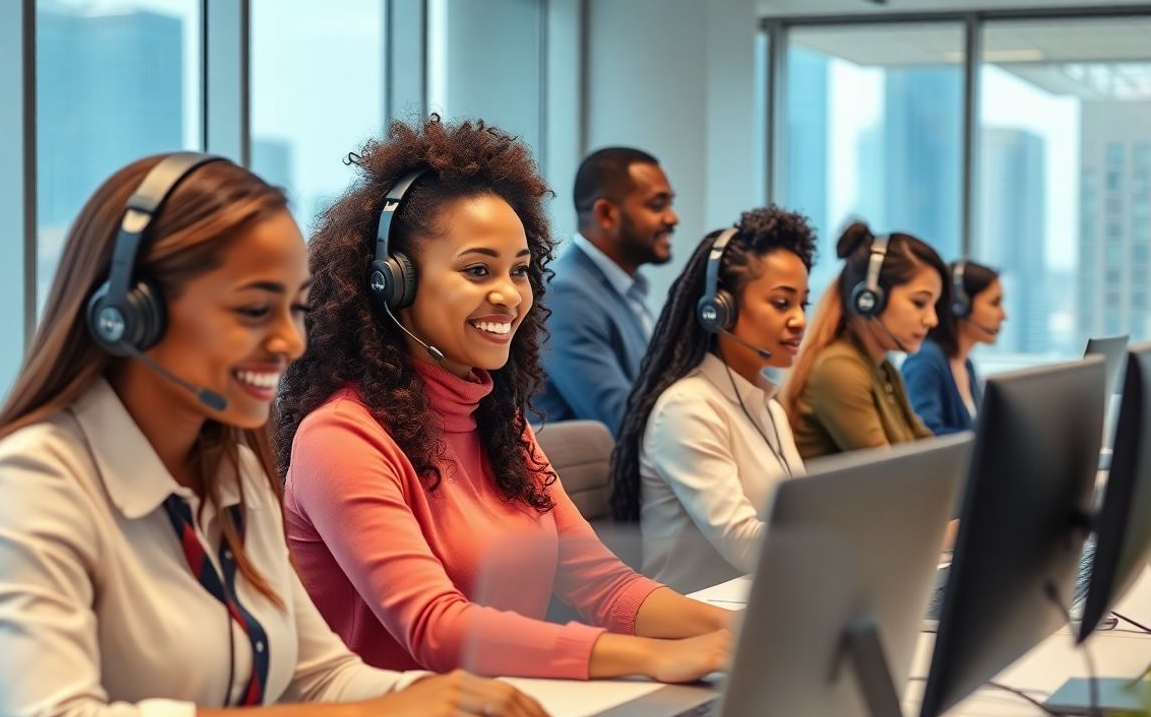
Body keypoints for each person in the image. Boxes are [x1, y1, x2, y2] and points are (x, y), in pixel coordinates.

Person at [0, 153, 565, 717]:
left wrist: (441, 701)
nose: (289, 341)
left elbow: (316, 677)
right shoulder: (27, 486)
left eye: (295, 308)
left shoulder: (229, 469)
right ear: (129, 316)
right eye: (255, 310)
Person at [274, 117, 730, 684]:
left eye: (519, 271)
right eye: (477, 270)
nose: (509, 295)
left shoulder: (496, 420)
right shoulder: (341, 437)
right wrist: (655, 658)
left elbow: (606, 586)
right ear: (392, 283)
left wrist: (742, 631)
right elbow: (436, 628)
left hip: (504, 709)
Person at [609, 206, 814, 594]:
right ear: (718, 309)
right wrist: (840, 548)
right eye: (781, 303)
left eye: (803, 304)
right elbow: (744, 545)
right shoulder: (687, 409)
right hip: (696, 615)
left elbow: (804, 519)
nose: (799, 320)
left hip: (768, 597)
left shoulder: (768, 407)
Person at [533, 147, 679, 434]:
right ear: (607, 214)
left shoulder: (624, 289)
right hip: (589, 464)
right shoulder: (566, 295)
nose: (672, 218)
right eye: (657, 205)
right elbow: (622, 419)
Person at [780, 221, 948, 460]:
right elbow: (890, 472)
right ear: (869, 299)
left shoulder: (884, 369)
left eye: (934, 305)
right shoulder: (838, 368)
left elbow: (928, 450)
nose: (932, 320)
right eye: (919, 303)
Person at [901, 260, 1005, 435]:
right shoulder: (925, 360)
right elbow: (927, 437)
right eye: (994, 303)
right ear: (960, 305)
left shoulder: (967, 365)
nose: (1003, 315)